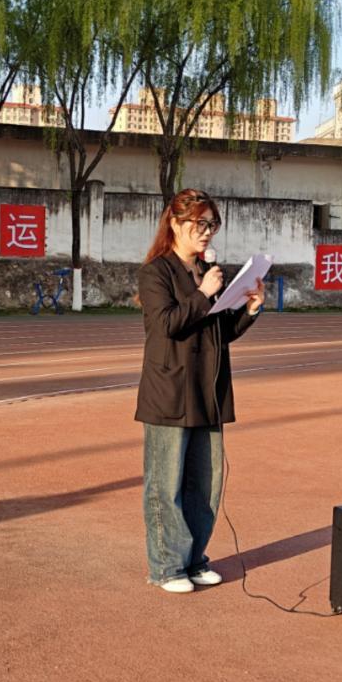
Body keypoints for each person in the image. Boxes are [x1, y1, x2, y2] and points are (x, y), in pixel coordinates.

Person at [135, 188, 265, 593]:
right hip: (170, 392)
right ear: (175, 223)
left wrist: (248, 310)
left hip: (207, 390)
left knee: (206, 484)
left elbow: (218, 331)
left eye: (213, 224)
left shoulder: (208, 272)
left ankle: (194, 559)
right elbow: (167, 324)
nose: (207, 232)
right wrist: (204, 293)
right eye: (200, 223)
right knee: (165, 485)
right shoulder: (156, 272)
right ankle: (167, 567)